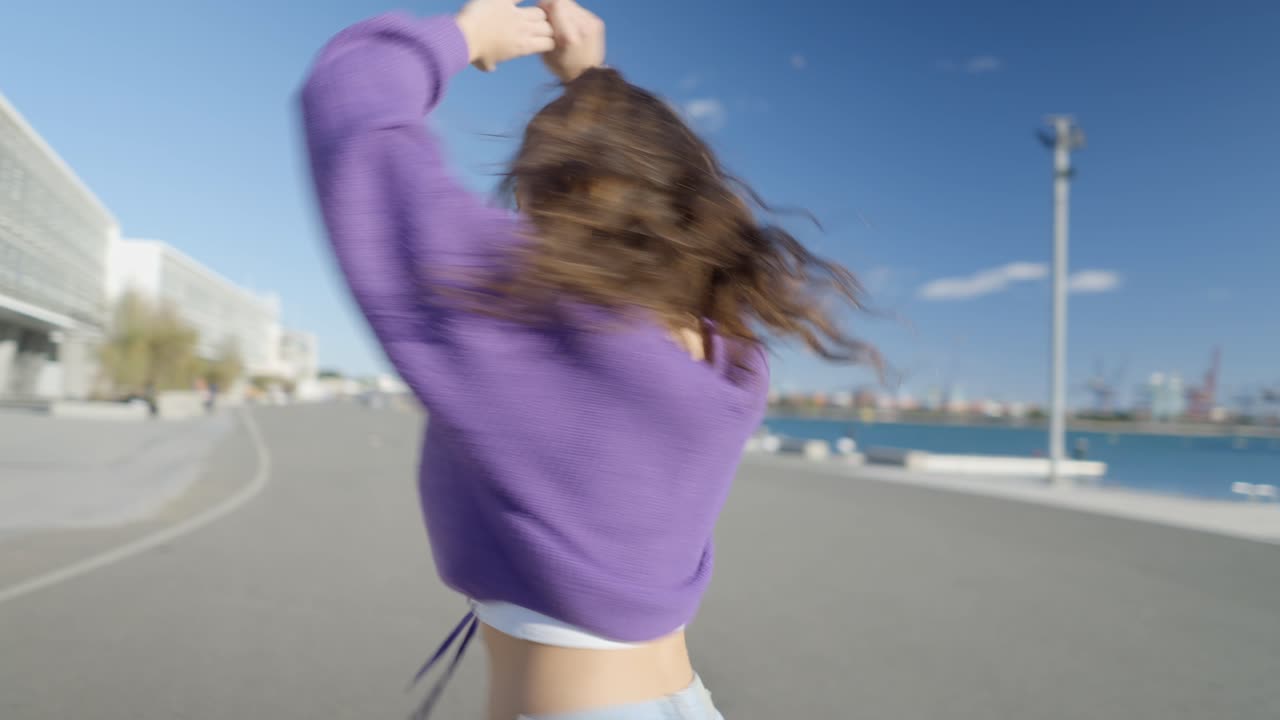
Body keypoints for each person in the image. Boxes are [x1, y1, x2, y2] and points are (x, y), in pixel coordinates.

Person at [301, 1, 871, 718]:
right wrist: (592, 85)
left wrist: (472, 32)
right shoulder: (725, 355)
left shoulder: (539, 320)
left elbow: (349, 100)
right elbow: (630, 194)